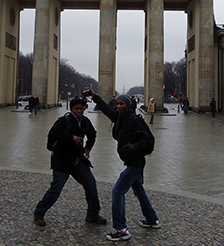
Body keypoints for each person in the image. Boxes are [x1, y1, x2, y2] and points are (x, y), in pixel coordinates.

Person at [87, 88, 160, 242]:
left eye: (122, 104)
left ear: (128, 105)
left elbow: (148, 141)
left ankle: (121, 229)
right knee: (139, 190)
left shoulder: (135, 120)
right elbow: (107, 110)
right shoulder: (119, 117)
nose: (118, 106)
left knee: (118, 191)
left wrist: (134, 148)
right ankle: (152, 219)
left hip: (135, 163)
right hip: (132, 162)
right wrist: (95, 97)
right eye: (117, 103)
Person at [33, 97, 107, 227]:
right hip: (62, 161)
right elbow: (53, 133)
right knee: (55, 190)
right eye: (76, 108)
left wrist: (88, 147)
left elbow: (93, 134)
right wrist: (71, 137)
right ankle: (39, 213)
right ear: (71, 109)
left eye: (81, 109)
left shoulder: (85, 121)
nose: (79, 111)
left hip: (78, 161)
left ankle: (93, 214)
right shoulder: (63, 120)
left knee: (91, 185)